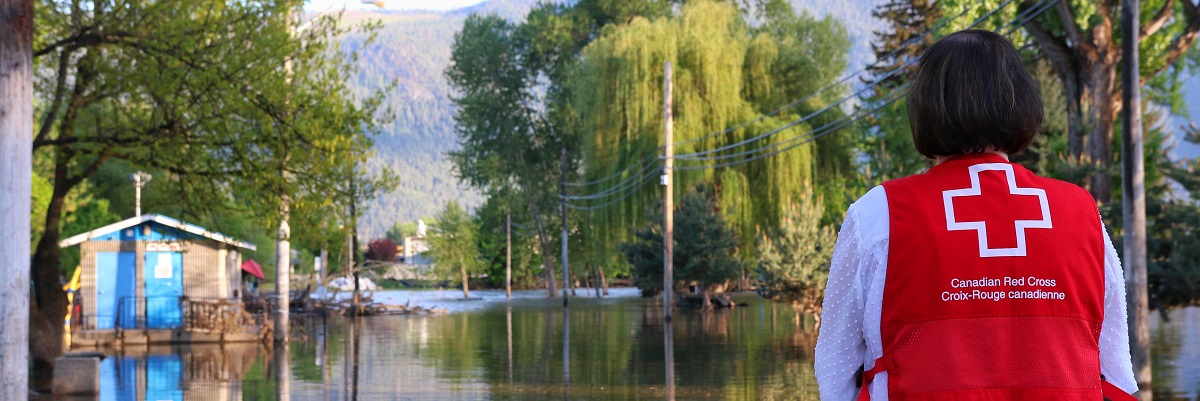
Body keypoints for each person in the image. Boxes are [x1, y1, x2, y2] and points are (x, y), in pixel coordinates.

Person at [813, 30, 1137, 401]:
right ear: (1021, 102)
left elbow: (836, 370)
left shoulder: (876, 214)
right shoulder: (1081, 211)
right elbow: (1115, 369)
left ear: (926, 108)